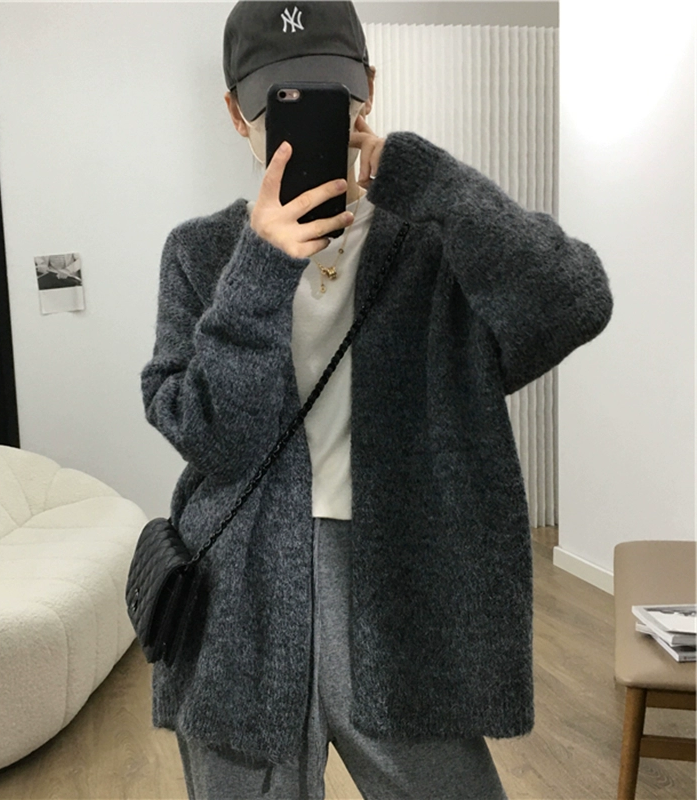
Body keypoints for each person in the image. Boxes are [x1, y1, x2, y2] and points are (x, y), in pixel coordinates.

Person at [140, 2, 614, 798]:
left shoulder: (433, 243)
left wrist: (428, 179)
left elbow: (574, 301)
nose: (303, 123)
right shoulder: (202, 252)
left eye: (329, 95)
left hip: (404, 583)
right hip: (242, 599)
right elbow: (209, 435)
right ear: (235, 112)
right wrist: (261, 266)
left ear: (368, 89)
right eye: (277, 102)